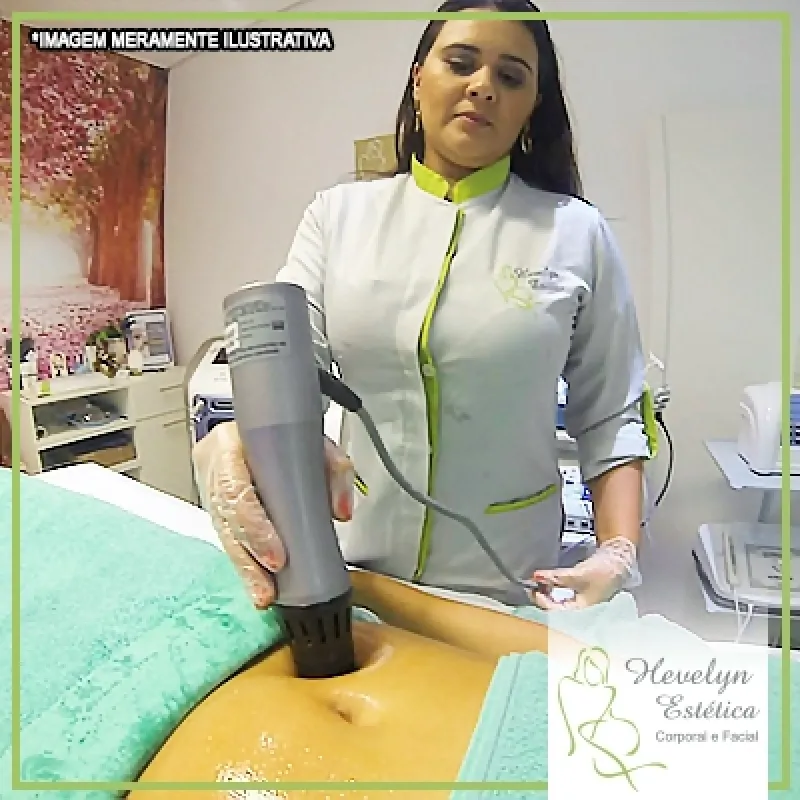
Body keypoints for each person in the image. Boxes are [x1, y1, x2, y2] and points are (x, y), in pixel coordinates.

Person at [192, 0, 657, 613]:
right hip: (357, 567)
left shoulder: (576, 233)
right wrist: (229, 440)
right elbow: (287, 372)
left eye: (510, 76)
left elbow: (612, 414)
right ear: (418, 80)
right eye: (460, 63)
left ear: (531, 107)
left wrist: (617, 551)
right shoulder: (337, 218)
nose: (483, 86)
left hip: (512, 583)